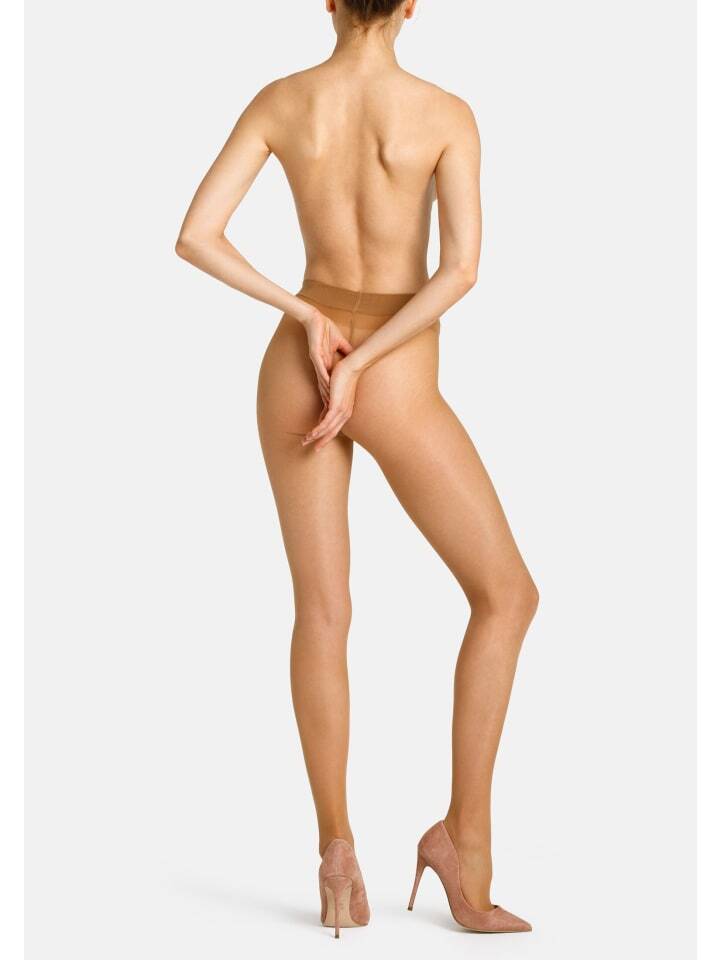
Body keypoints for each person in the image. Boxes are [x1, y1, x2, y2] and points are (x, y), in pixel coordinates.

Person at [175, 0, 538, 937]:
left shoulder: (284, 100)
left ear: (329, 1)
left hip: (297, 359)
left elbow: (197, 234)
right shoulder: (444, 112)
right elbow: (459, 271)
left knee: (323, 612)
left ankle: (336, 852)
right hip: (393, 371)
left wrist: (305, 316)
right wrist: (367, 364)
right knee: (506, 596)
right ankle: (465, 844)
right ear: (412, 4)